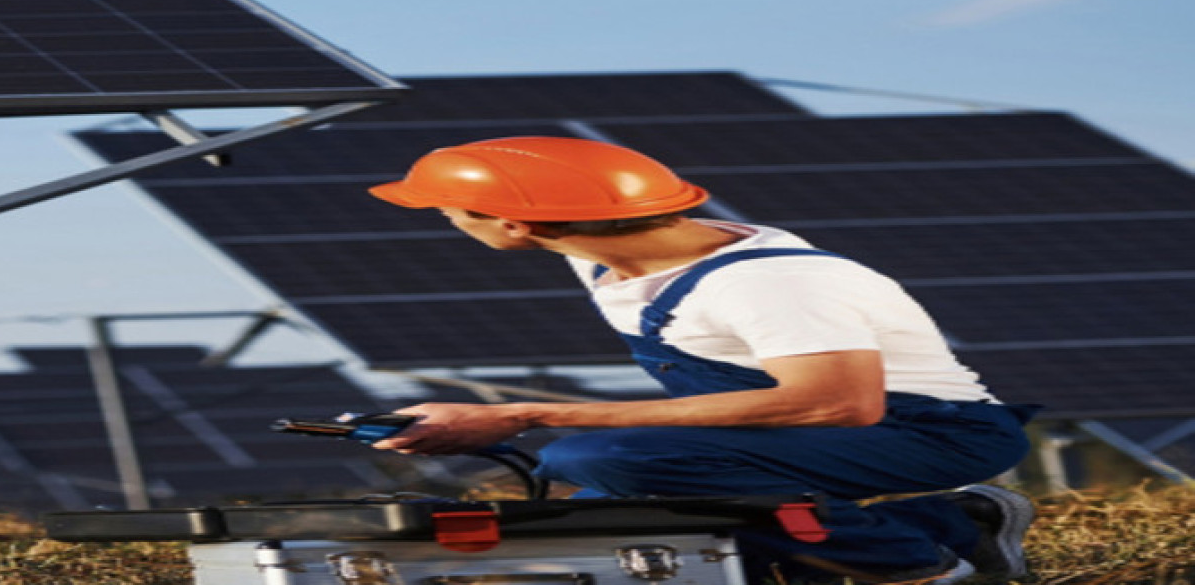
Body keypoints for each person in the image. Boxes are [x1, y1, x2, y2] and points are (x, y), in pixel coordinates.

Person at [367, 136, 1039, 584]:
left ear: (514, 226)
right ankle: (961, 523)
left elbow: (840, 403)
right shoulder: (602, 250)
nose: (447, 219)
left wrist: (526, 415)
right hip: (797, 430)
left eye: (451, 211)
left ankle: (916, 566)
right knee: (601, 519)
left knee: (592, 461)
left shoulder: (764, 282)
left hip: (923, 431)